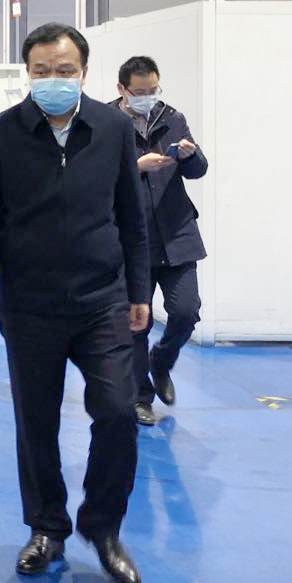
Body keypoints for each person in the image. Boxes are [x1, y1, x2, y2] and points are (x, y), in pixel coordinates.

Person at [0, 23, 150, 583]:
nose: (53, 80)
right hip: (31, 303)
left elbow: (132, 216)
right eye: (41, 71)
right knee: (36, 423)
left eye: (64, 71)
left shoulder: (113, 128)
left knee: (118, 412)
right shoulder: (1, 133)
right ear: (28, 73)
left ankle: (103, 526)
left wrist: (140, 291)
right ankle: (46, 527)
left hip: (102, 300)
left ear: (84, 72)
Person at [110, 56, 208, 427]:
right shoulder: (106, 123)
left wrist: (191, 155)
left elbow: (198, 171)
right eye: (140, 92)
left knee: (186, 311)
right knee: (136, 321)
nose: (148, 98)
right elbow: (94, 175)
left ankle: (162, 361)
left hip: (176, 233)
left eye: (153, 90)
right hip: (129, 240)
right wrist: (135, 167)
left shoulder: (172, 118)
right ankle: (140, 397)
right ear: (122, 90)